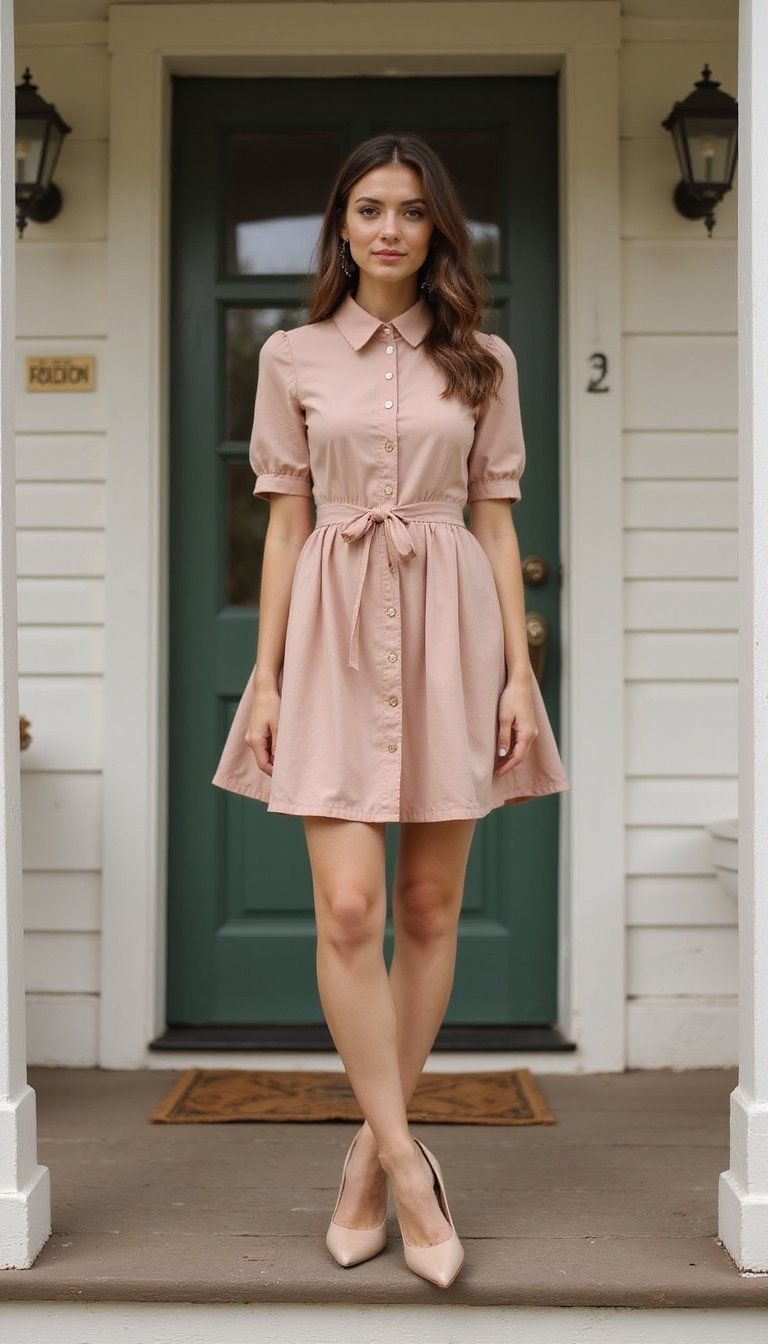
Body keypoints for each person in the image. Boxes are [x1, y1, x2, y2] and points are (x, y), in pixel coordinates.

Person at [212, 132, 569, 1289]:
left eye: (411, 212)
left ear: (436, 232)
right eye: (368, 209)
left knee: (427, 907)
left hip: (456, 630)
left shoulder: (487, 361)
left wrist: (519, 674)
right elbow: (281, 521)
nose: (388, 229)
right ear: (342, 225)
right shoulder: (291, 356)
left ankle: (368, 1156)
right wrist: (264, 675)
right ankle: (413, 1167)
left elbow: (500, 520)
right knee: (350, 907)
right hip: (328, 632)